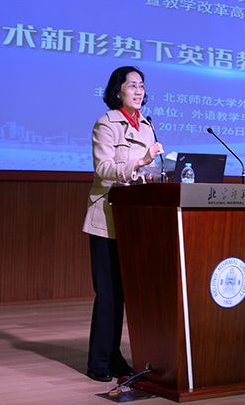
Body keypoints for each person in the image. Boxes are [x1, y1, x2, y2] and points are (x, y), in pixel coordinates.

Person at [81, 66, 164, 382]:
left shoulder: (147, 126)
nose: (139, 91)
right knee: (108, 294)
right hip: (107, 218)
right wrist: (140, 162)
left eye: (142, 85)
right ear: (117, 91)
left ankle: (114, 357)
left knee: (126, 293)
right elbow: (103, 168)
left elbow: (148, 172)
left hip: (135, 220)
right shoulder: (106, 123)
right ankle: (98, 361)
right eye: (132, 85)